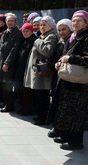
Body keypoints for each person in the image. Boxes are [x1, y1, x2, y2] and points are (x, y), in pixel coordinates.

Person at [50, 10, 88, 150]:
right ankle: (66, 136)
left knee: (77, 113)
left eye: (79, 20)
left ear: (86, 23)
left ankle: (76, 142)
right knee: (66, 110)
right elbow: (64, 55)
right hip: (67, 79)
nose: (75, 23)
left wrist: (70, 59)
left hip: (80, 82)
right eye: (74, 21)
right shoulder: (73, 36)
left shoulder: (85, 37)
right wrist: (60, 63)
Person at [24, 16, 58, 125]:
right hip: (38, 72)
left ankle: (43, 118)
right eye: (41, 25)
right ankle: (40, 116)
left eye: (44, 25)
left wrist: (38, 42)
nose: (42, 27)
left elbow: (48, 51)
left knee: (42, 96)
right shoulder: (43, 36)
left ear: (51, 26)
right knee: (38, 96)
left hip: (43, 73)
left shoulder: (51, 36)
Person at [46, 19, 73, 138]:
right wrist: (55, 65)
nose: (61, 32)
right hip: (57, 77)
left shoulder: (72, 42)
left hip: (68, 78)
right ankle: (57, 127)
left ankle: (62, 130)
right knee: (56, 102)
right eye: (59, 30)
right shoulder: (60, 42)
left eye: (64, 29)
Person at [0, 13, 22, 112]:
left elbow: (14, 49)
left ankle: (9, 106)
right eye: (8, 21)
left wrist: (7, 63)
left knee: (7, 85)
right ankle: (5, 102)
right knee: (2, 84)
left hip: (9, 63)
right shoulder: (5, 32)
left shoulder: (17, 33)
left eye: (12, 21)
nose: (10, 23)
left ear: (15, 22)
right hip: (0, 61)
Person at [12, 23, 37, 115]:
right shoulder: (23, 40)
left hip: (27, 69)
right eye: (24, 31)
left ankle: (28, 109)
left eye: (27, 31)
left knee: (27, 91)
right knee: (19, 90)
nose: (25, 33)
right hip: (19, 69)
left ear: (32, 31)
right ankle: (20, 108)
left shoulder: (34, 41)